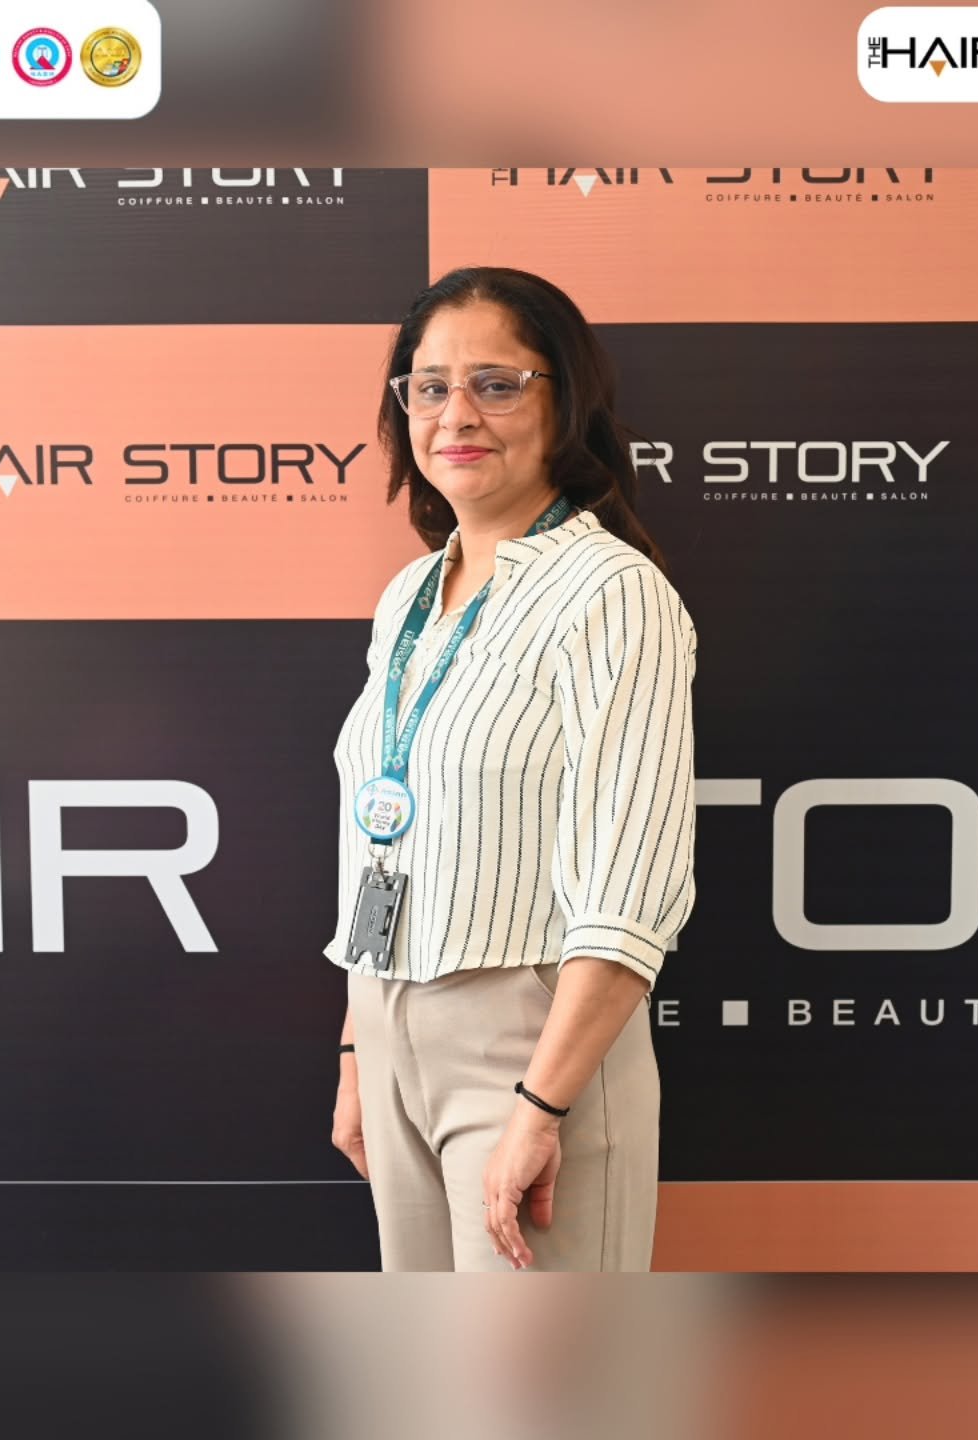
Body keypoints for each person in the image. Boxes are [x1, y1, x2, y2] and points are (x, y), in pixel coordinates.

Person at [324, 265, 697, 1271]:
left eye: (496, 383)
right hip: (390, 1025)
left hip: (531, 1053)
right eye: (429, 386)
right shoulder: (411, 594)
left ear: (562, 402)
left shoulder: (612, 591)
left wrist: (540, 1106)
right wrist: (360, 1048)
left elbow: (630, 887)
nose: (457, 414)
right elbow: (382, 834)